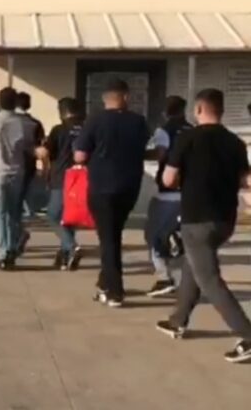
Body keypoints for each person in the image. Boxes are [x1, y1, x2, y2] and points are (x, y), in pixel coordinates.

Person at [155, 88, 251, 364]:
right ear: (220, 110)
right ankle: (178, 320)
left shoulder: (187, 138)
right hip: (224, 220)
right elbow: (246, 180)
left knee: (209, 279)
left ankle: (247, 335)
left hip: (197, 218)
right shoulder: (235, 142)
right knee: (193, 266)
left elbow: (169, 179)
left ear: (198, 110)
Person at [74, 78, 149, 307]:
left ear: (104, 98)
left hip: (101, 187)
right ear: (125, 96)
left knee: (108, 239)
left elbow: (80, 156)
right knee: (113, 234)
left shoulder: (94, 120)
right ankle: (104, 282)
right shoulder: (138, 121)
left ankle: (115, 291)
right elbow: (145, 148)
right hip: (129, 186)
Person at [0, 87, 35, 270]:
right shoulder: (25, 124)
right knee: (13, 213)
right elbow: (29, 147)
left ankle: (2, 253)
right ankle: (11, 249)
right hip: (17, 171)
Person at [144, 96, 191, 298]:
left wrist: (137, 154)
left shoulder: (164, 130)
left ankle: (164, 277)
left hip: (168, 191)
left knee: (152, 233)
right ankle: (174, 238)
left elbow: (160, 155)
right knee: (165, 228)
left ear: (165, 111)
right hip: (188, 190)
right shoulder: (192, 130)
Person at [39, 97, 86, 271]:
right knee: (69, 217)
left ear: (63, 112)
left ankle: (71, 246)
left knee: (53, 215)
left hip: (62, 178)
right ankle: (65, 255)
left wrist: (43, 167)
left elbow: (45, 152)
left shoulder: (59, 130)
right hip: (83, 178)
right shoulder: (87, 128)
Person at [16, 92, 46, 219]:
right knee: (27, 187)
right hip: (29, 160)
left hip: (12, 160)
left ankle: (19, 210)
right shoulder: (35, 123)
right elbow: (40, 145)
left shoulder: (9, 121)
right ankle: (27, 210)